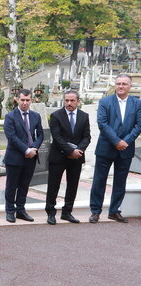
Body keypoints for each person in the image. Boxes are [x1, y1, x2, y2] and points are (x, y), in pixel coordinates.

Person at [89, 74, 141, 223]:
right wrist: (117, 141)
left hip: (126, 149)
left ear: (130, 86)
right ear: (115, 85)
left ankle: (114, 211)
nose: (121, 86)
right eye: (118, 83)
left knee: (120, 182)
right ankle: (95, 211)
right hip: (106, 148)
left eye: (124, 84)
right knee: (99, 181)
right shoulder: (105, 102)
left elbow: (139, 125)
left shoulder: (137, 103)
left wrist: (126, 141)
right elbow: (102, 123)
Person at [46, 90, 91, 225]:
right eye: (67, 100)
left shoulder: (84, 116)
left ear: (78, 101)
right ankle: (50, 213)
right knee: (53, 185)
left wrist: (79, 150)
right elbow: (57, 137)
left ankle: (67, 212)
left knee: (72, 185)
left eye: (72, 101)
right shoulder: (56, 116)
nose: (69, 103)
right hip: (58, 156)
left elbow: (87, 136)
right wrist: (71, 151)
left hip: (77, 157)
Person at [2, 89, 44, 223]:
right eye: (22, 100)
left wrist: (34, 148)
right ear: (17, 99)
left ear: (31, 100)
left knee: (24, 185)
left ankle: (20, 210)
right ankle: (10, 211)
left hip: (31, 157)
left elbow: (40, 134)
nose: (25, 103)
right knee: (11, 185)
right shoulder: (10, 116)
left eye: (27, 100)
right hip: (15, 157)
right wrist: (26, 150)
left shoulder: (36, 116)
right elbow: (12, 137)